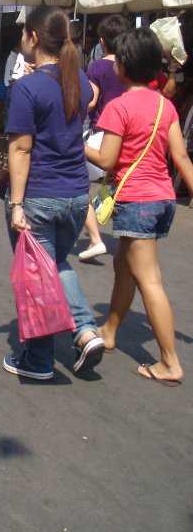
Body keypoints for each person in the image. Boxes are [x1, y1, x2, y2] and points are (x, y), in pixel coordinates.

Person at [85, 28, 193, 385]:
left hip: (137, 199)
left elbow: (106, 159)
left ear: (125, 65)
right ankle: (110, 330)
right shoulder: (165, 105)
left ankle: (169, 362)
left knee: (149, 278)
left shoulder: (119, 107)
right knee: (124, 265)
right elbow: (180, 157)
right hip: (162, 198)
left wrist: (76, 143)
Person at [4, 4, 105, 380]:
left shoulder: (28, 87)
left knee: (37, 275)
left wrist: (17, 204)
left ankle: (39, 360)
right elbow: (89, 95)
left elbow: (20, 149)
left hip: (40, 196)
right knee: (56, 264)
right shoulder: (77, 78)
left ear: (33, 37)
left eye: (23, 33)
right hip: (77, 195)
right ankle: (85, 331)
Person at [79, 15, 131, 261]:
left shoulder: (98, 67)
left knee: (78, 184)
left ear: (102, 41)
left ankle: (95, 238)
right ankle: (127, 240)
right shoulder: (132, 66)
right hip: (128, 137)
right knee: (123, 186)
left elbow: (90, 101)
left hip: (102, 135)